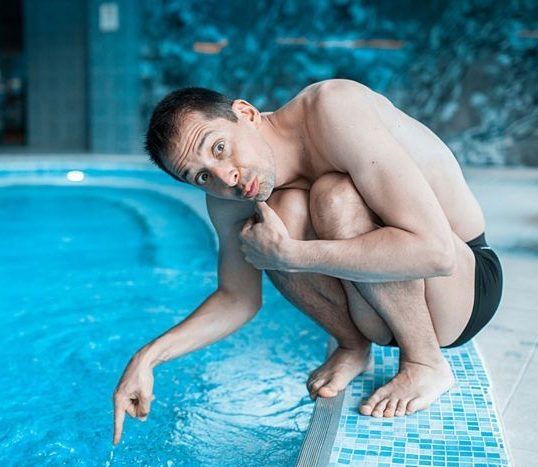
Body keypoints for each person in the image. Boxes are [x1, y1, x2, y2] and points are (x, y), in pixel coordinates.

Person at [111, 79, 502, 445]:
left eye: (219, 148)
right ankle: (353, 346)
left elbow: (436, 253)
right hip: (382, 310)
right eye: (201, 177)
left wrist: (290, 256)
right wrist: (148, 358)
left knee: (334, 195)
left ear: (246, 113)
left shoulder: (333, 109)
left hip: (463, 287)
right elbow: (237, 298)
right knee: (270, 220)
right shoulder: (228, 198)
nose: (226, 178)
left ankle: (425, 362)